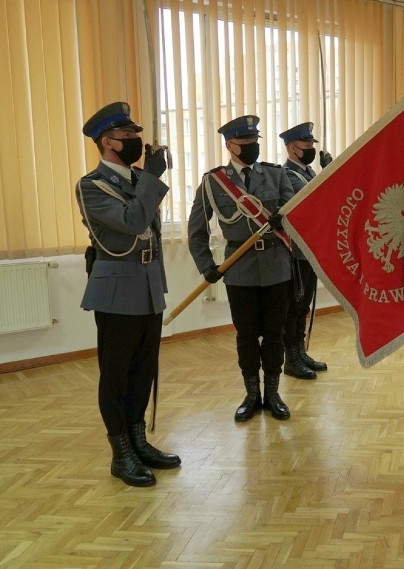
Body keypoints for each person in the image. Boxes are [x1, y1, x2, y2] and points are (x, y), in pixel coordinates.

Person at [76, 102, 179, 487]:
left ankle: (138, 440)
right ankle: (120, 452)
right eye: (127, 135)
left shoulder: (137, 180)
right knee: (117, 374)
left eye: (137, 134)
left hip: (149, 285)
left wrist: (146, 180)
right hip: (117, 291)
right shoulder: (92, 185)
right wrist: (152, 180)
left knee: (143, 370)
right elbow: (134, 222)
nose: (137, 140)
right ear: (107, 142)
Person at [188, 115, 295, 422]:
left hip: (277, 266)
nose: (251, 147)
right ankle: (252, 394)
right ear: (229, 145)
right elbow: (196, 230)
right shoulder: (214, 182)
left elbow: (296, 213)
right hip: (239, 269)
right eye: (244, 142)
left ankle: (273, 393)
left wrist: (283, 219)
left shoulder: (275, 175)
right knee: (246, 336)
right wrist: (207, 266)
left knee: (275, 335)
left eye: (254, 141)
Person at [279, 122, 332, 380]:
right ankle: (291, 358)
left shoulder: (309, 172)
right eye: (306, 144)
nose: (311, 148)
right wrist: (331, 173)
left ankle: (301, 351)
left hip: (310, 251)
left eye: (312, 144)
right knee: (295, 306)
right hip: (296, 254)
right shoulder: (287, 175)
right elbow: (311, 200)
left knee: (304, 306)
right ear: (291, 148)